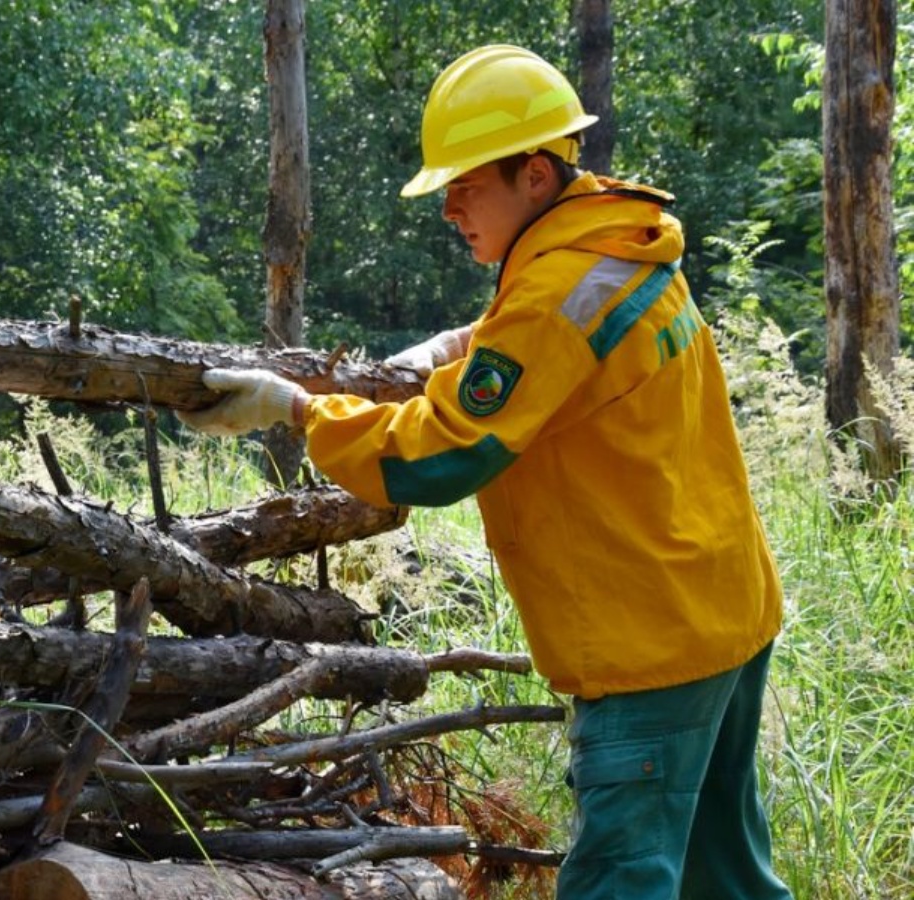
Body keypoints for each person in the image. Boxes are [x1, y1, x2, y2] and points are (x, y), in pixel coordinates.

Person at [179, 45, 793, 899]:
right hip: (720, 608)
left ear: (535, 175)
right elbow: (547, 345)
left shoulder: (556, 292)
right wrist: (454, 346)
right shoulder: (616, 242)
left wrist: (297, 409)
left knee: (620, 881)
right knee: (723, 879)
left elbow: (444, 455)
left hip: (649, 643)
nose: (450, 209)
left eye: (465, 186)